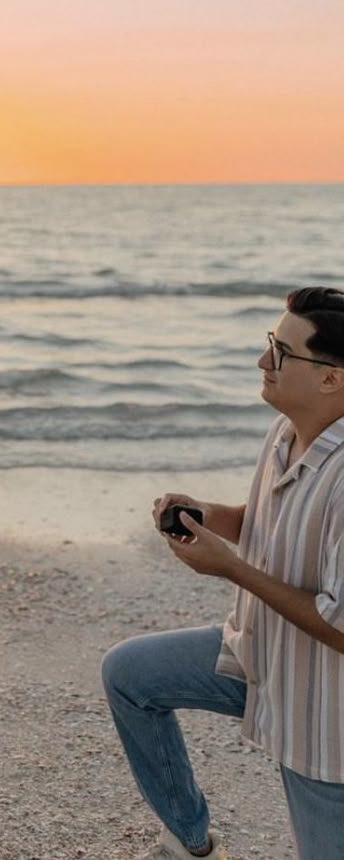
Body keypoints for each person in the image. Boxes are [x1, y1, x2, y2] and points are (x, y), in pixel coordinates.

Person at [101, 287, 344, 860]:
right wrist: (210, 516)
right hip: (258, 656)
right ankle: (190, 841)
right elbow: (270, 519)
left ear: (332, 378)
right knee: (130, 675)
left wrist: (231, 570)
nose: (264, 362)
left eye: (281, 353)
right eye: (269, 344)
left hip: (326, 717)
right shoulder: (289, 430)